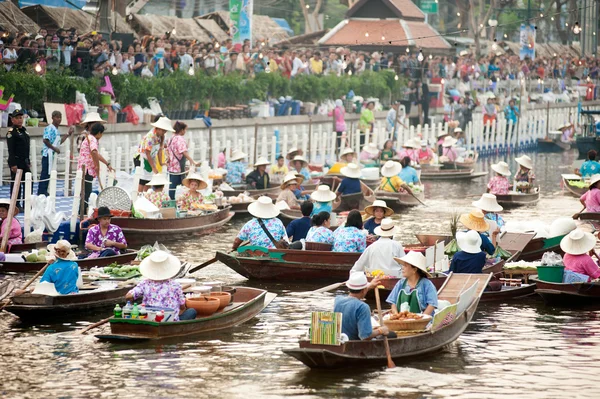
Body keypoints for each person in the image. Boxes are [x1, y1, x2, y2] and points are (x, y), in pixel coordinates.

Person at [126, 250, 197, 321]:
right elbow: (182, 307)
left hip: (149, 319)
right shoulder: (175, 285)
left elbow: (128, 296)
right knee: (192, 311)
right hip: (169, 320)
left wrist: (132, 304)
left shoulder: (144, 284)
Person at [334, 272, 391, 340]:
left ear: (349, 288)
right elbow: (365, 336)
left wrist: (369, 286)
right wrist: (381, 330)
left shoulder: (338, 299)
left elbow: (355, 295)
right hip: (354, 342)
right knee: (392, 335)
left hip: (340, 340)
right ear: (364, 290)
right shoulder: (363, 307)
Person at [386, 251, 438, 315]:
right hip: (402, 321)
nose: (402, 268)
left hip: (424, 322)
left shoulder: (427, 284)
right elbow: (393, 302)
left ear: (414, 270)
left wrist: (422, 319)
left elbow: (432, 304)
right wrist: (397, 316)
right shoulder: (401, 283)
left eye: (405, 266)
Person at [77, 123, 113, 214]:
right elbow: (94, 151)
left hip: (84, 168)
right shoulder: (92, 139)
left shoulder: (90, 138)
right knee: (86, 191)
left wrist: (107, 163)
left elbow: (96, 153)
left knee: (85, 190)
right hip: (87, 169)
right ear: (99, 133)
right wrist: (97, 166)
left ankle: (83, 210)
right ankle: (81, 212)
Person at [39, 111, 74, 196]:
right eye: (57, 117)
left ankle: (44, 191)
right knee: (45, 173)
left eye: (60, 117)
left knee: (49, 173)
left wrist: (67, 134)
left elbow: (59, 142)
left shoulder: (56, 130)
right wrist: (54, 149)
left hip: (53, 154)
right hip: (47, 154)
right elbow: (45, 140)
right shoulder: (49, 128)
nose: (58, 119)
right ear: (52, 118)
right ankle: (41, 192)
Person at [134, 116, 172, 192]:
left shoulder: (161, 137)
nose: (164, 133)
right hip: (142, 157)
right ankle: (139, 196)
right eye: (163, 130)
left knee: (149, 179)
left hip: (151, 157)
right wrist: (153, 167)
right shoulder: (150, 136)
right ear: (157, 128)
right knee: (143, 179)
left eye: (165, 131)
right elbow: (147, 153)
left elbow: (160, 150)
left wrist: (161, 163)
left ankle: (145, 195)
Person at [166, 121, 201, 200]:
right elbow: (183, 151)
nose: (185, 132)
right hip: (178, 167)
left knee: (172, 187)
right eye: (185, 130)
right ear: (181, 130)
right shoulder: (180, 139)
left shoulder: (171, 138)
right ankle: (186, 200)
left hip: (171, 166)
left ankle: (172, 202)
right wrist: (192, 161)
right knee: (185, 185)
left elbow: (168, 150)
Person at [6, 109, 31, 209]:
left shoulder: (24, 131)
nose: (20, 120)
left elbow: (26, 148)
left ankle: (27, 203)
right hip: (16, 162)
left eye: (21, 117)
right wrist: (13, 164)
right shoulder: (12, 133)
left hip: (24, 162)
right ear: (12, 120)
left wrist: (28, 161)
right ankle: (15, 205)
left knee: (28, 182)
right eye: (17, 118)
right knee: (16, 185)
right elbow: (10, 150)